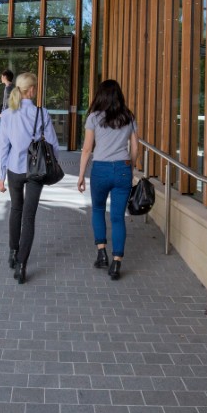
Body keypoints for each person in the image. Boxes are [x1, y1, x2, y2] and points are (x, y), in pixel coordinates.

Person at [0, 71, 59, 284]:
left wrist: (0, 176)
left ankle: (13, 252)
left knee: (16, 209)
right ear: (31, 90)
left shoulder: (7, 114)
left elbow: (3, 147)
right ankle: (22, 265)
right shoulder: (42, 113)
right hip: (35, 171)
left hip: (14, 169)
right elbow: (52, 145)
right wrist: (53, 166)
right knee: (29, 217)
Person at [76, 79, 138, 280]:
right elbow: (135, 148)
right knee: (118, 217)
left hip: (100, 169)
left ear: (100, 95)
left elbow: (87, 149)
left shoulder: (94, 118)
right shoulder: (128, 117)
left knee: (98, 210)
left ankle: (101, 252)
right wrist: (132, 168)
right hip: (123, 169)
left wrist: (81, 175)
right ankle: (117, 263)